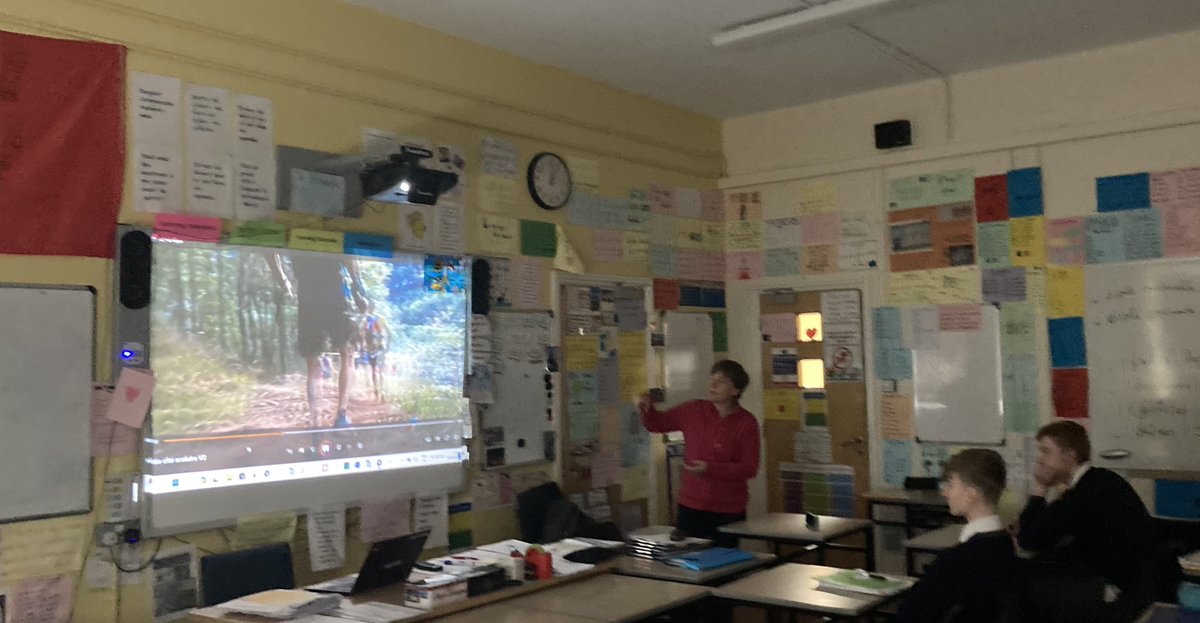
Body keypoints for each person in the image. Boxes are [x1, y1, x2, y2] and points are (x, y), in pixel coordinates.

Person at [1017, 420, 1180, 620]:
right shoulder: (1104, 478)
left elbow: (1028, 540)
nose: (1040, 460)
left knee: (1030, 582)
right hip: (1145, 583)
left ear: (1069, 455)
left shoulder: (1082, 495)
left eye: (1046, 452)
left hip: (1126, 593)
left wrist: (1040, 488)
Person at [637, 360, 760, 548]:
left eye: (722, 381)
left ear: (736, 390)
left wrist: (710, 469)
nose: (713, 384)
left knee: (723, 564)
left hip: (727, 508)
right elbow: (657, 424)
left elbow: (749, 468)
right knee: (687, 560)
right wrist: (646, 409)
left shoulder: (746, 422)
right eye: (712, 379)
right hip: (690, 505)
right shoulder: (693, 410)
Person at [896, 449, 1016, 623]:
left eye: (951, 485)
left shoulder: (956, 560)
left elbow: (910, 615)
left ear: (971, 494)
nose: (945, 492)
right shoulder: (1006, 544)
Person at [274, 253, 367, 429]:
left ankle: (315, 420)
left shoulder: (293, 227)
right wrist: (357, 285)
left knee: (312, 363)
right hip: (335, 295)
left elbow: (270, 251)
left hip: (307, 298)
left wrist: (282, 279)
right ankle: (341, 415)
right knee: (347, 355)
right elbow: (349, 256)